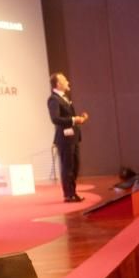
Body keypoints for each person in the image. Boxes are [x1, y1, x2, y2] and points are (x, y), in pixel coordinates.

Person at [47, 72, 89, 202]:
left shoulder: (64, 97)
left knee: (75, 166)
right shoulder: (53, 99)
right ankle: (69, 194)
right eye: (64, 80)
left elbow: (70, 118)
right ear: (58, 84)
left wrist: (80, 119)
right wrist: (73, 120)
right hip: (65, 139)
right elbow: (55, 119)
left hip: (73, 137)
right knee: (68, 167)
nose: (67, 82)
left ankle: (72, 192)